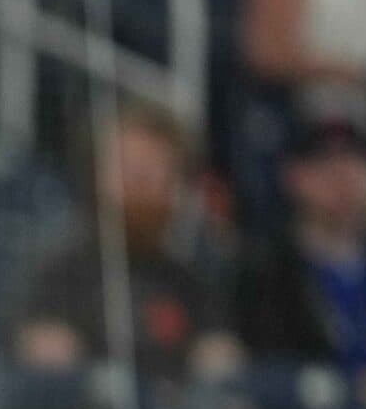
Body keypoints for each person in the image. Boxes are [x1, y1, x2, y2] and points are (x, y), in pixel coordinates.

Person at [232, 86, 366, 409]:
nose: (342, 174)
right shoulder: (263, 269)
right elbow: (258, 372)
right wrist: (351, 391)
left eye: (355, 158)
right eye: (323, 160)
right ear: (293, 176)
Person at [13, 106, 239, 388]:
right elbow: (50, 376)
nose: (140, 185)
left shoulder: (192, 282)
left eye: (154, 170)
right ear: (96, 175)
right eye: (129, 168)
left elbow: (222, 368)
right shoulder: (57, 270)